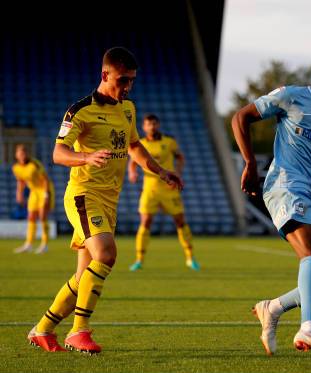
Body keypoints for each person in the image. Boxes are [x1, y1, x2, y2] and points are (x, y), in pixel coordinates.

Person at [27, 47, 182, 354]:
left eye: (131, 81)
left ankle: (42, 329)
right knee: (107, 253)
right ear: (105, 75)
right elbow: (58, 153)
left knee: (84, 276)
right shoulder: (80, 110)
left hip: (108, 201)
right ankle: (78, 331)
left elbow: (135, 147)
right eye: (122, 80)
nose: (127, 87)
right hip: (84, 196)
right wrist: (86, 156)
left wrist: (162, 171)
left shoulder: (128, 109)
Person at [232, 41, 311, 359]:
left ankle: (272, 308)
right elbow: (240, 118)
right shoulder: (291, 96)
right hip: (284, 187)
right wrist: (249, 163)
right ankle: (309, 327)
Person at [128, 114, 200, 271]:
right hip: (150, 189)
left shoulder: (169, 141)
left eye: (154, 123)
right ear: (144, 127)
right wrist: (132, 173)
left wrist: (178, 172)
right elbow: (133, 162)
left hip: (169, 188)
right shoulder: (140, 143)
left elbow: (180, 158)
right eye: (148, 124)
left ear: (158, 125)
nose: (152, 127)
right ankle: (139, 259)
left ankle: (190, 258)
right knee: (145, 222)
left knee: (180, 222)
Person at [12, 144, 55, 254]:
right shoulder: (16, 168)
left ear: (27, 154)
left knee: (42, 217)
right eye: (20, 153)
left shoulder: (34, 164)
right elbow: (21, 181)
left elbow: (45, 179)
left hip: (44, 190)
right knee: (31, 217)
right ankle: (29, 244)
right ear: (16, 155)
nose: (22, 155)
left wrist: (46, 195)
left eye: (24, 153)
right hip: (34, 192)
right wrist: (19, 194)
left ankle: (44, 244)